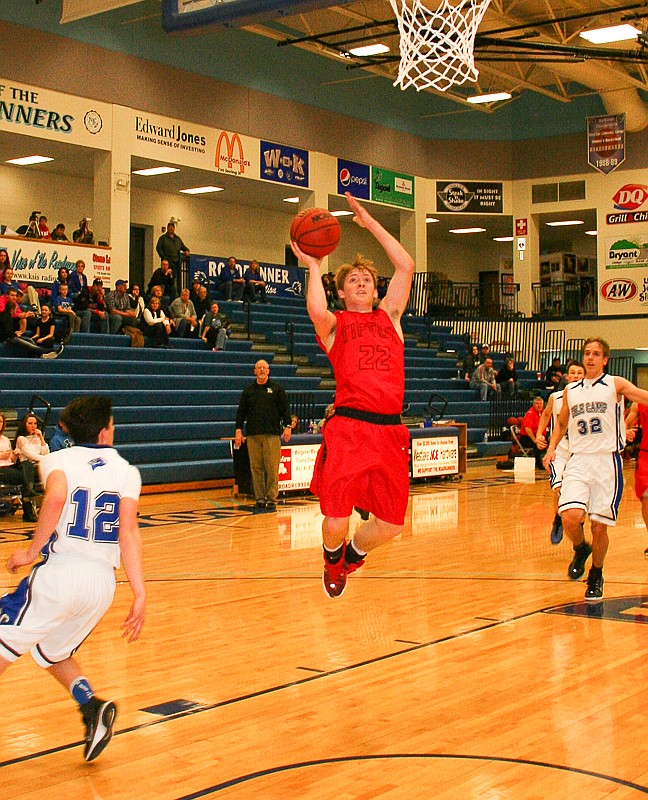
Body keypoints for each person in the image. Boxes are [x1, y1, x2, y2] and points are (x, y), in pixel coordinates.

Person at [0, 395, 145, 762]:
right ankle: (92, 707)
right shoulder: (128, 471)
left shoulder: (56, 459)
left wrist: (30, 553)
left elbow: (57, 497)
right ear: (104, 430)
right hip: (101, 586)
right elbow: (128, 532)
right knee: (52, 652)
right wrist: (140, 593)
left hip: (62, 575)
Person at [291, 191, 415, 598]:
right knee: (336, 516)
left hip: (390, 431)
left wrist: (370, 222)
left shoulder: (390, 317)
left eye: (367, 280)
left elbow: (406, 265)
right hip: (349, 428)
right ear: (341, 293)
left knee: (393, 524)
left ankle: (353, 555)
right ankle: (331, 560)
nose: (361, 282)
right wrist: (313, 266)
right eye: (352, 281)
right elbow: (315, 310)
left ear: (377, 292)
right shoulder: (336, 324)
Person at [543, 337, 648, 601]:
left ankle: (597, 574)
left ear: (604, 360)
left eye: (595, 353)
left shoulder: (615, 384)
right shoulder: (571, 391)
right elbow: (561, 423)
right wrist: (551, 447)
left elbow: (643, 397)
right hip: (578, 459)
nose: (590, 357)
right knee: (569, 515)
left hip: (606, 461)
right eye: (587, 353)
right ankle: (580, 548)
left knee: (599, 527)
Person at [536, 362, 586, 544]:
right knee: (559, 488)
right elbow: (545, 414)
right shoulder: (555, 397)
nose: (576, 376)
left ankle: (577, 524)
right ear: (567, 376)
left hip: (581, 452)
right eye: (573, 372)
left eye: (580, 373)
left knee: (581, 493)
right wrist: (539, 434)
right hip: (560, 450)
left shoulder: (589, 398)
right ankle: (558, 518)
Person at [234, 360, 292, 511]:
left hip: (272, 435)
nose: (261, 370)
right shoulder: (248, 391)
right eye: (259, 368)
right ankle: (259, 499)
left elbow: (285, 409)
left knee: (272, 468)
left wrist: (288, 427)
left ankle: (272, 499)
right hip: (253, 435)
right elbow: (241, 412)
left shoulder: (277, 389)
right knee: (256, 468)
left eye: (264, 368)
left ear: (268, 371)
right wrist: (238, 430)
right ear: (254, 371)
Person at [0, 413, 36, 522]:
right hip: (1, 469)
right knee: (25, 477)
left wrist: (14, 455)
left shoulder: (5, 439)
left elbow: (11, 459)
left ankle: (27, 493)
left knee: (27, 465)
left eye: (1, 422)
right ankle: (27, 504)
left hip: (9, 465)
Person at [624, 402, 648, 557]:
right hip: (646, 455)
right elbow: (626, 423)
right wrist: (626, 431)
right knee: (646, 497)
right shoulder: (641, 402)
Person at [13, 412, 50, 500]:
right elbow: (31, 455)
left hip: (39, 465)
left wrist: (41, 437)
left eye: (35, 423)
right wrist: (47, 459)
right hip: (26, 467)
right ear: (24, 425)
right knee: (29, 465)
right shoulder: (21, 439)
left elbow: (46, 452)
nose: (33, 426)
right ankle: (29, 489)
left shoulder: (37, 438)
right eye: (30, 423)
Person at [155, 221, 189, 294]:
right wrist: (164, 257)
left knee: (176, 280)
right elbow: (158, 248)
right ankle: (165, 293)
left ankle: (177, 293)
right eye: (170, 227)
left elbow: (183, 247)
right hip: (167, 263)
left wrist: (187, 250)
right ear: (167, 228)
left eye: (172, 227)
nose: (171, 229)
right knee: (166, 279)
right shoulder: (163, 238)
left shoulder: (178, 239)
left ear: (174, 228)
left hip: (176, 263)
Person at [519, 395, 545, 469]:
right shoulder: (530, 413)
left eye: (540, 404)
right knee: (536, 444)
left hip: (539, 435)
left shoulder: (544, 413)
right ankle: (539, 464)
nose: (539, 405)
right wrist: (535, 440)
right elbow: (528, 429)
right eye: (537, 404)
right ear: (533, 405)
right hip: (526, 437)